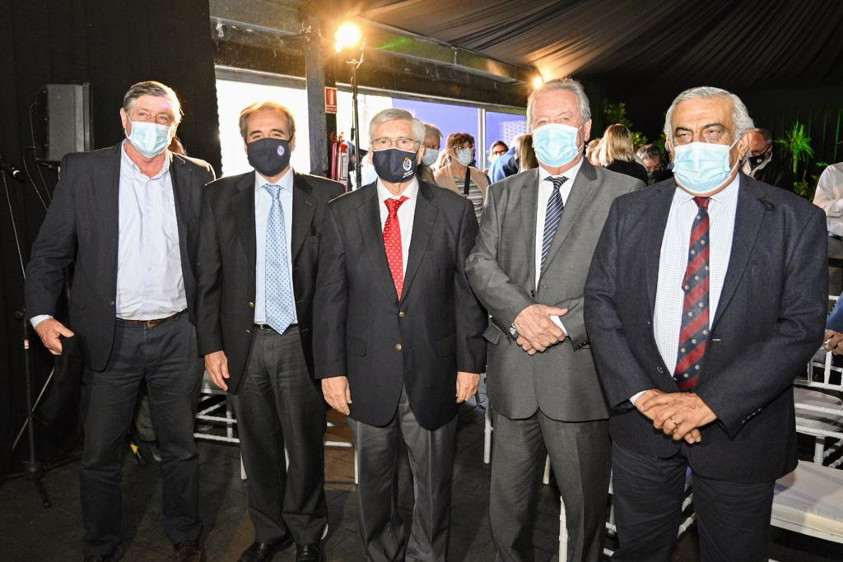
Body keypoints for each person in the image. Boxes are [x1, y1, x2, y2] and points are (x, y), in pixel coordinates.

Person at [584, 86, 827, 561]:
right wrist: (644, 396)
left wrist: (710, 403)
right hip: (643, 424)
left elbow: (799, 326)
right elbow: (601, 304)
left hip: (742, 430)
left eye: (712, 132)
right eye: (684, 134)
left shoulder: (795, 219)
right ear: (670, 147)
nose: (697, 144)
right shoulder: (630, 212)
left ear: (741, 142)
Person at [25, 81, 215, 562]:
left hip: (177, 333)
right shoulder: (86, 170)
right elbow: (50, 253)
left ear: (176, 125)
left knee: (181, 447)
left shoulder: (197, 174)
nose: (154, 125)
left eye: (164, 117)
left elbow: (210, 260)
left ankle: (185, 534)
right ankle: (102, 546)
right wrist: (43, 316)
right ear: (124, 119)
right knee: (100, 454)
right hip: (109, 336)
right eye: (145, 115)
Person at [465, 78, 643, 562]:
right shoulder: (504, 193)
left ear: (585, 128)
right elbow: (480, 264)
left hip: (580, 377)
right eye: (541, 121)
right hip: (514, 374)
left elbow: (629, 281)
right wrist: (521, 314)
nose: (552, 130)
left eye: (563, 119)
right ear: (528, 130)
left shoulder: (625, 192)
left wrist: (563, 325)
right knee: (506, 508)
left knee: (584, 508)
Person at [313, 108, 487, 561]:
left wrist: (471, 364)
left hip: (434, 370)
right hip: (366, 373)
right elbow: (329, 299)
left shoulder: (454, 210)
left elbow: (466, 296)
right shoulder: (341, 213)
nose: (395, 150)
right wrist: (331, 371)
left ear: (421, 149)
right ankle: (381, 553)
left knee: (433, 483)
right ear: (370, 152)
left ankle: (426, 556)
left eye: (404, 142)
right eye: (384, 142)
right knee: (373, 482)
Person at [195, 101, 342, 562]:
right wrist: (211, 347)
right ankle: (268, 530)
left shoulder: (328, 194)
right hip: (245, 342)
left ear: (292, 139)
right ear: (244, 144)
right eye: (256, 135)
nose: (267, 142)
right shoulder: (219, 196)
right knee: (256, 447)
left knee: (304, 445)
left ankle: (306, 534)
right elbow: (207, 278)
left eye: (275, 132)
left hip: (304, 343)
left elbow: (340, 280)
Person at [434, 132, 490, 221]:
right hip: (453, 233)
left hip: (479, 232)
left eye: (470, 147)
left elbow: (488, 208)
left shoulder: (480, 176)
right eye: (461, 148)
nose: (467, 151)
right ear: (450, 151)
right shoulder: (438, 178)